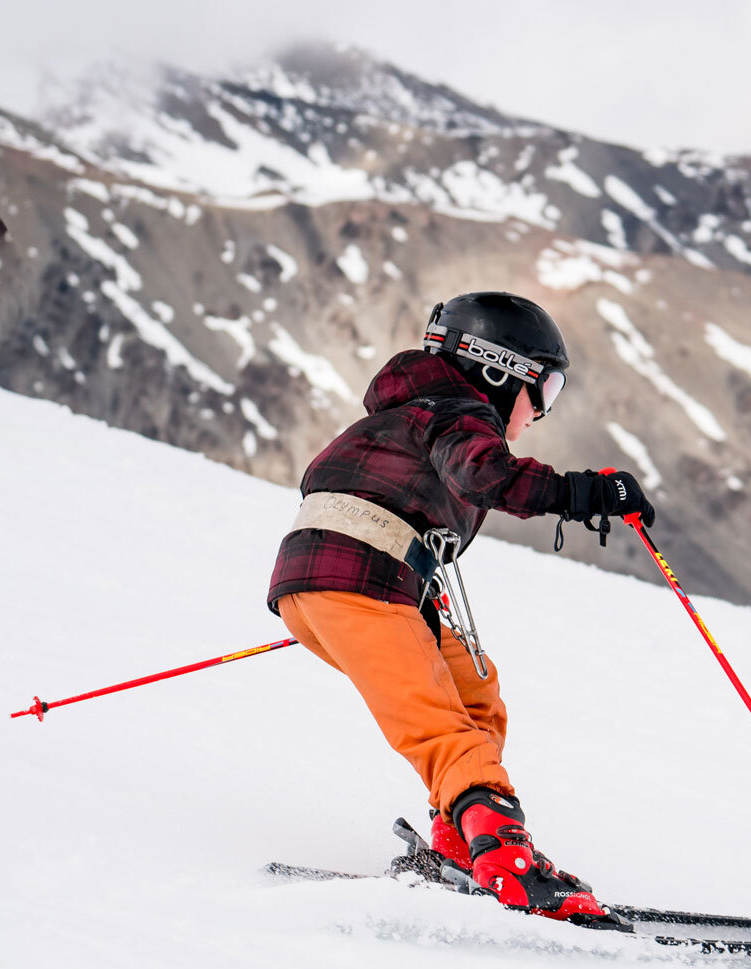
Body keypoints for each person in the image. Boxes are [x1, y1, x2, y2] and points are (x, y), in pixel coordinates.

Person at [267, 292, 655, 927]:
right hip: (361, 585)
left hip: (342, 584)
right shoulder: (456, 411)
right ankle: (506, 860)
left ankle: (459, 840)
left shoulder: (406, 415)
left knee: (473, 690)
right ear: (499, 371)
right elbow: (484, 475)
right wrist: (582, 492)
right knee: (440, 728)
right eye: (545, 389)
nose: (541, 412)